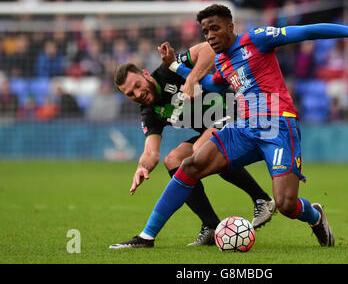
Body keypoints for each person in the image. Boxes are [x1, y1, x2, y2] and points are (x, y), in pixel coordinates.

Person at [112, 4, 348, 249]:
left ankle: (315, 216)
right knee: (190, 165)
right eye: (205, 32)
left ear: (230, 26)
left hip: (277, 126)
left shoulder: (257, 39)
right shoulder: (223, 62)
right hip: (244, 128)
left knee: (286, 204)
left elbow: (307, 31)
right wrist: (176, 67)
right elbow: (213, 83)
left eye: (214, 28)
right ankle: (147, 236)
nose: (210, 36)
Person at [110, 42, 275, 248]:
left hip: (238, 111)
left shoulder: (168, 70)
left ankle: (261, 198)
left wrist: (191, 77)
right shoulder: (150, 112)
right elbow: (151, 152)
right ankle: (210, 224)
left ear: (145, 74)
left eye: (137, 86)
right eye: (130, 94)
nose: (137, 94)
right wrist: (142, 167)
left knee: (201, 151)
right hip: (214, 128)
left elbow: (208, 48)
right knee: (173, 160)